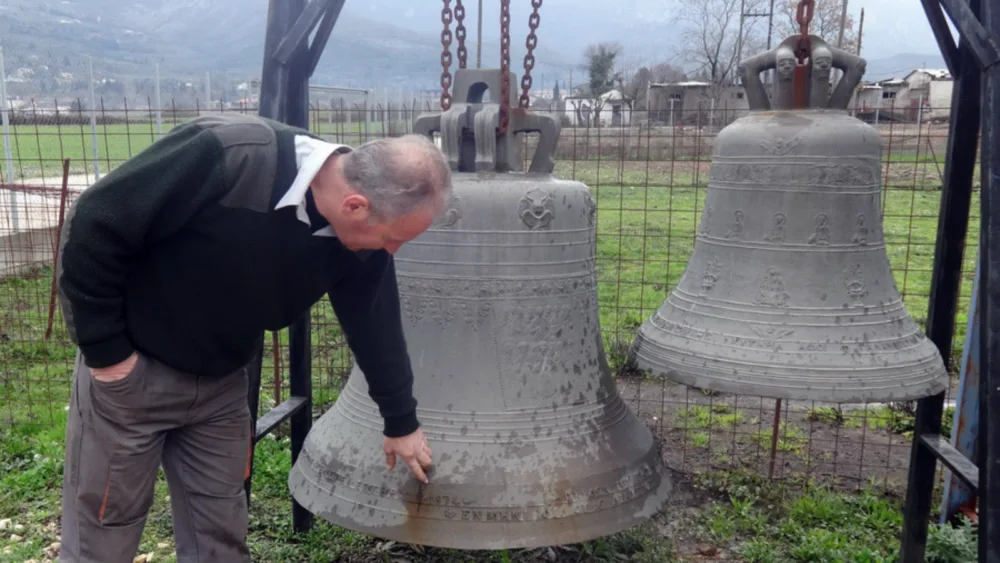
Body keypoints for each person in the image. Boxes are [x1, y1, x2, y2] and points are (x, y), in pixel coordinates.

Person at [55, 113, 451, 563]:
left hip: (222, 385)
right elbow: (96, 222)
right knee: (104, 531)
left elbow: (373, 318)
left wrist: (401, 421)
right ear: (356, 206)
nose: (392, 251)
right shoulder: (234, 156)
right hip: (134, 375)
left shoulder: (359, 239)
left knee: (221, 536)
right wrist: (109, 359)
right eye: (392, 238)